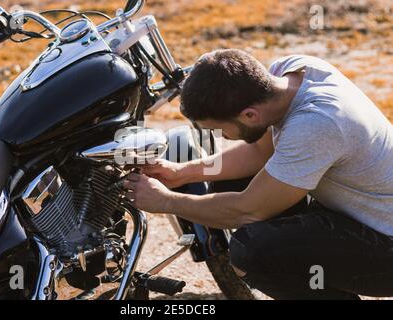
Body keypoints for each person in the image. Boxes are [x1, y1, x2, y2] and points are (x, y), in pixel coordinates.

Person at [123, 49, 393, 299]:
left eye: (221, 130)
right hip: (366, 216)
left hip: (386, 247)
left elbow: (247, 211)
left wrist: (165, 202)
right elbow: (260, 153)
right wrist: (182, 173)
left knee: (253, 252)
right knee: (230, 182)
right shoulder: (292, 71)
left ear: (250, 115)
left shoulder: (316, 124)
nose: (223, 137)